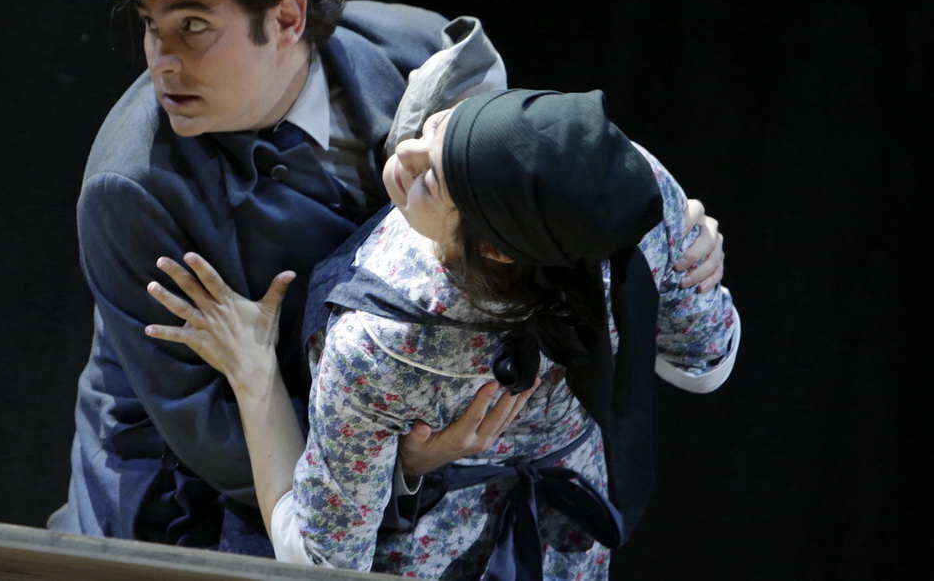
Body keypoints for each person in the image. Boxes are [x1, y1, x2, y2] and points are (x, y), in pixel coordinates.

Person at [49, 0, 727, 555]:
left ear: (286, 20)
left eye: (193, 27)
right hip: (209, 501)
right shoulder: (134, 186)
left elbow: (527, 221)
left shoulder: (428, 53)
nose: (162, 63)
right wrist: (392, 464)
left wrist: (669, 236)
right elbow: (203, 423)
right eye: (150, 27)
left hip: (419, 471)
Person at [144, 87, 740, 578]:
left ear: (492, 250)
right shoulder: (630, 191)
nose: (406, 154)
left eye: (431, 180)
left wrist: (255, 372)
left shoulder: (381, 342)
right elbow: (703, 365)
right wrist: (689, 252)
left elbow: (322, 562)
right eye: (436, 127)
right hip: (567, 545)